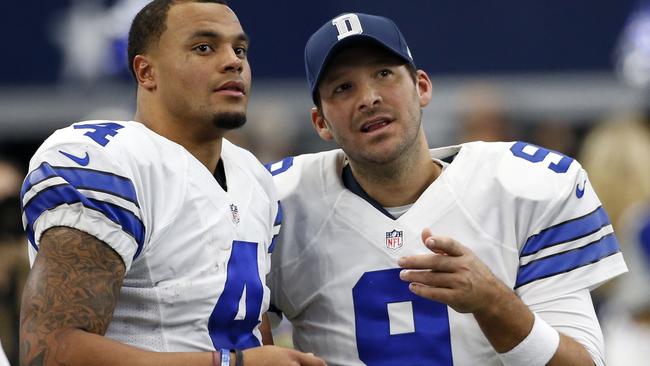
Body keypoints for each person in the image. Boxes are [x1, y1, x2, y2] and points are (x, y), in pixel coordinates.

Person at [266, 12, 628, 366]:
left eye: (384, 73)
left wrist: (494, 304)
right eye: (343, 87)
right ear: (320, 123)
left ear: (422, 87)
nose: (369, 97)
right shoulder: (278, 202)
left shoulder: (528, 188)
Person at [18, 1, 324, 366]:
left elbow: (249, 328)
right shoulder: (109, 162)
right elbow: (50, 351)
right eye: (204, 48)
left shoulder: (254, 176)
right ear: (146, 72)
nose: (233, 61)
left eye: (239, 49)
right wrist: (232, 364)